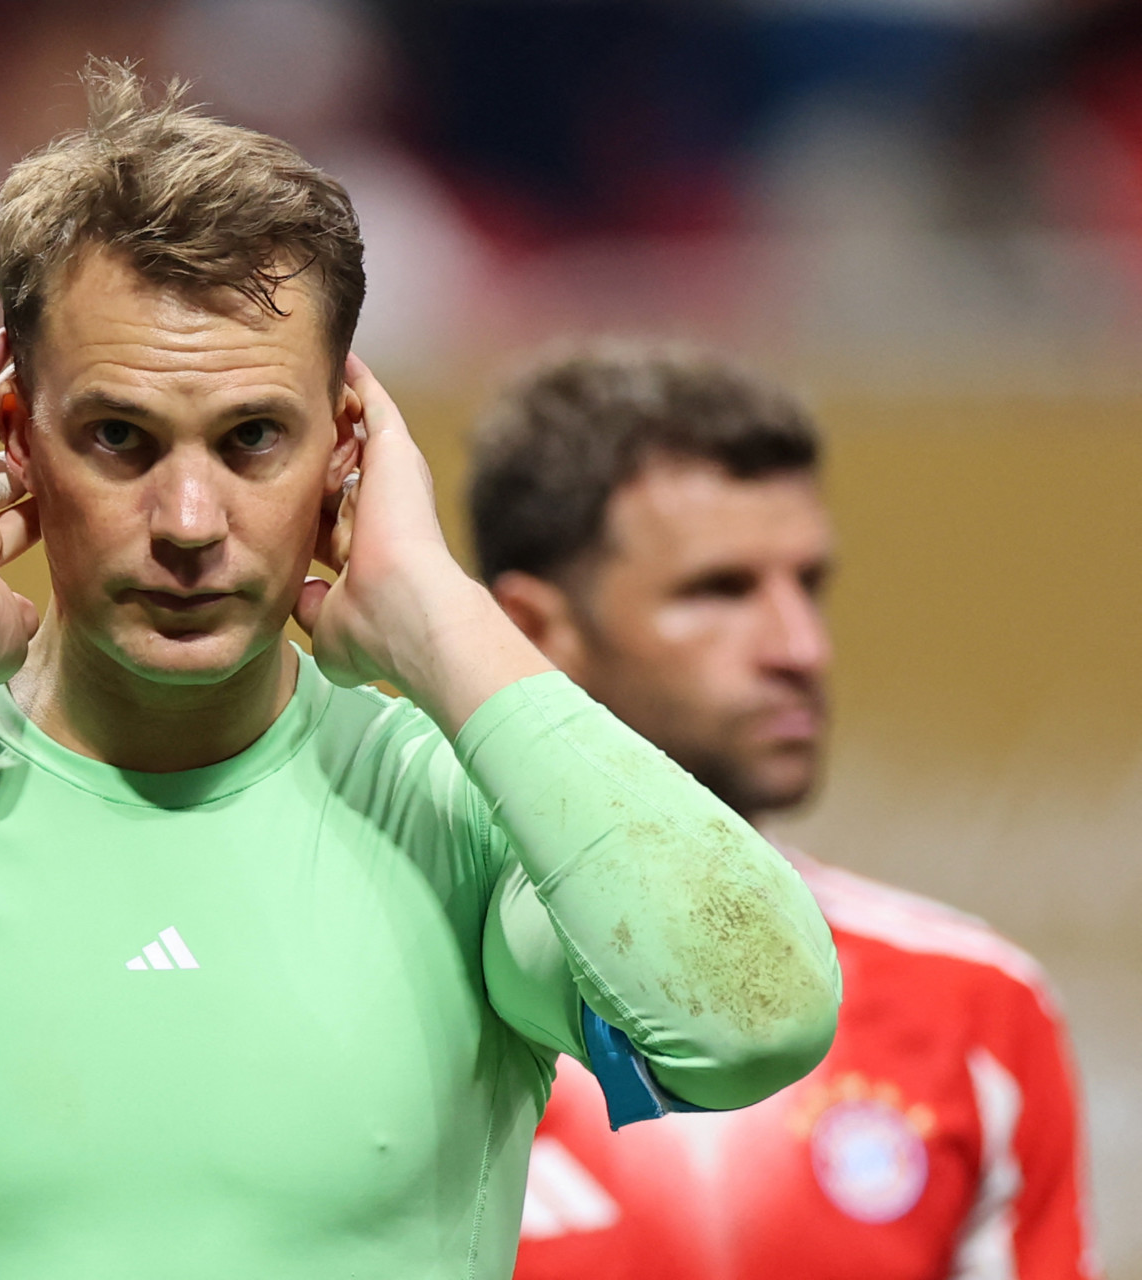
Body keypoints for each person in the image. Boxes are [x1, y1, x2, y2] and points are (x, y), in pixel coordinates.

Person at [0, 66, 839, 1279]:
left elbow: (759, 1020)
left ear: (347, 452)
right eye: (121, 438)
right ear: (11, 437)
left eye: (253, 439)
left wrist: (439, 615)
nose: (189, 524)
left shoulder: (454, 813)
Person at [466, 344, 1099, 1280]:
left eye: (808, 586)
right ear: (532, 631)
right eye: (719, 590)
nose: (799, 646)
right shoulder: (399, 990)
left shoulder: (974, 1008)